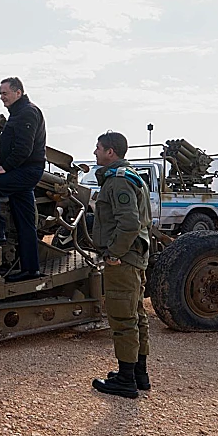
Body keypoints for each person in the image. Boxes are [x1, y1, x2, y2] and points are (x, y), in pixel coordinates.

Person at [89, 132, 152, 399]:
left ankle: (126, 381)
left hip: (123, 260)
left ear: (110, 152)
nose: (95, 153)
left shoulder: (117, 182)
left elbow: (129, 223)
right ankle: (139, 374)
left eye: (98, 148)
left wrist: (114, 253)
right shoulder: (130, 177)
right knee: (136, 315)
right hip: (135, 258)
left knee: (123, 318)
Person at [0, 77, 46, 283]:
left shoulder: (27, 113)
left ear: (18, 93)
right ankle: (31, 269)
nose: (1, 97)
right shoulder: (19, 113)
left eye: (4, 93)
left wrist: (5, 167)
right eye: (0, 94)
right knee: (25, 224)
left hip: (25, 171)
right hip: (23, 171)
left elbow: (24, 148)